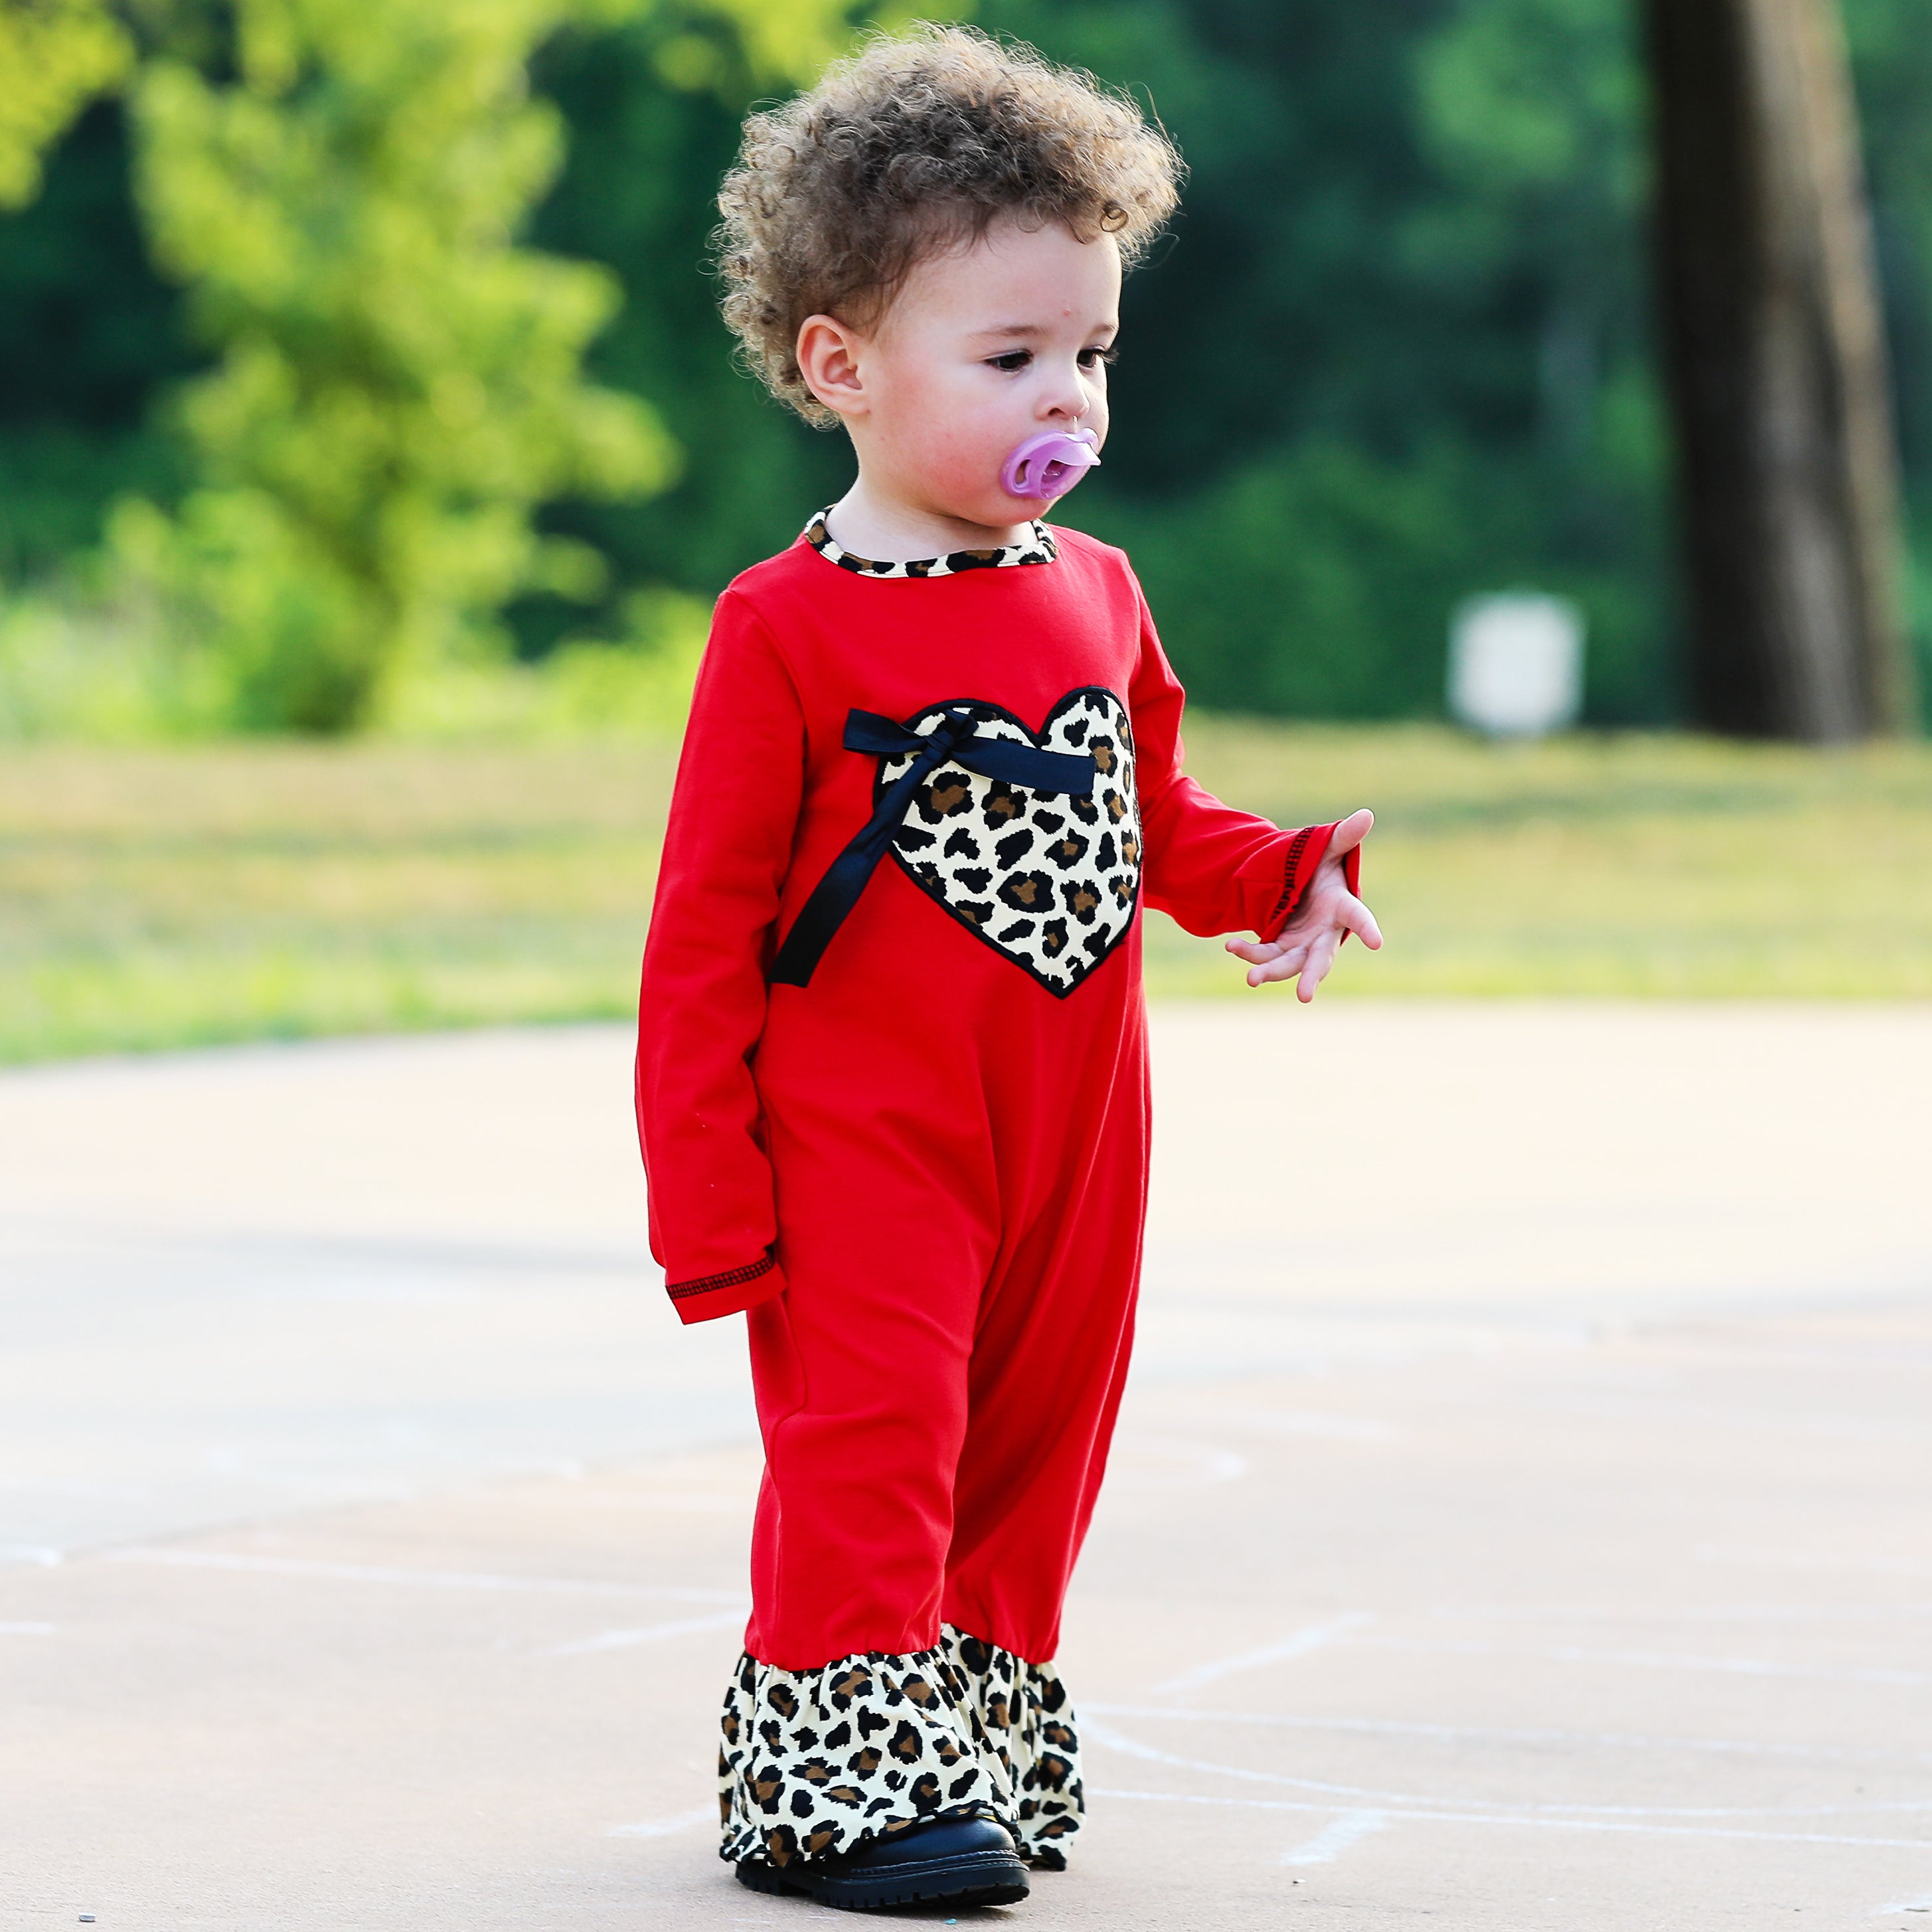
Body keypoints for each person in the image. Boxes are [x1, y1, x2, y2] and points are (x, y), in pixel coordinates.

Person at [633, 23, 1381, 1913]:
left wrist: (1280, 872)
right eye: (1013, 358)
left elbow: (1147, 815)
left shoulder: (1096, 591)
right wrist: (709, 1203)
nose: (1072, 397)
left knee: (1035, 1448)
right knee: (875, 1444)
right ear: (842, 366)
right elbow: (701, 941)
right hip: (864, 1147)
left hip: (1074, 1137)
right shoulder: (784, 631)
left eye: (1094, 352)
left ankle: (960, 1743)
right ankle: (834, 1792)